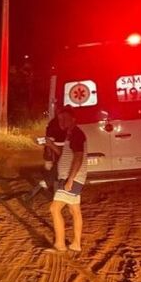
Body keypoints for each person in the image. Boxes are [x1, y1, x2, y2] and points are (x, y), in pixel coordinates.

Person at [45, 105, 87, 252]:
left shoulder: (76, 134)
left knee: (54, 208)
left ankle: (60, 245)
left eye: (65, 118)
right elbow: (65, 154)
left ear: (73, 119)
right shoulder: (71, 134)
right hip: (72, 177)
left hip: (73, 178)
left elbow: (78, 158)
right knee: (75, 211)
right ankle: (76, 244)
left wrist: (70, 179)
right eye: (60, 119)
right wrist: (50, 145)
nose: (61, 121)